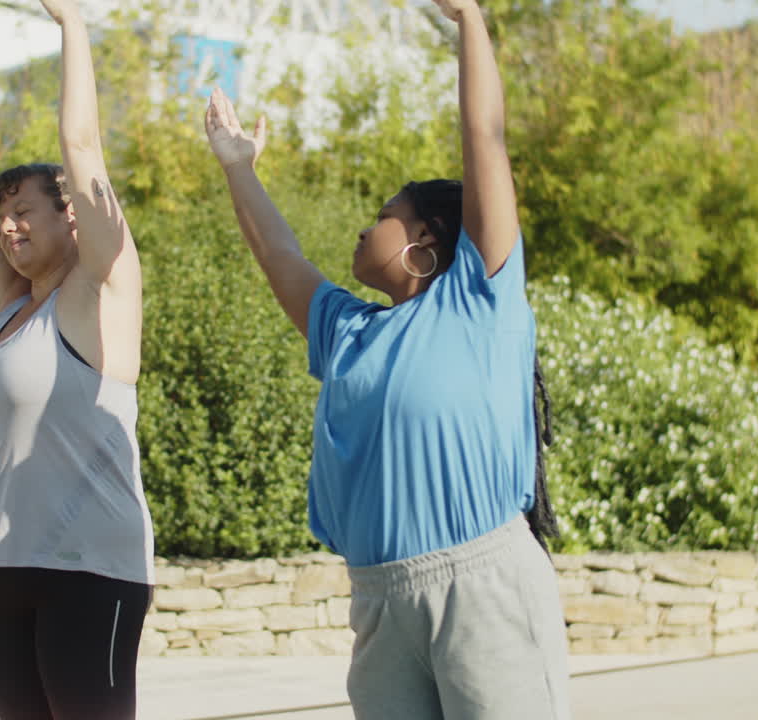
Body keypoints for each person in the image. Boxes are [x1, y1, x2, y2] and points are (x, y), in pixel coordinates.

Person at [202, 0, 570, 717]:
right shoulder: (345, 332)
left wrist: (468, 20)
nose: (364, 226)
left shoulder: (478, 297)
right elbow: (280, 254)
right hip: (377, 596)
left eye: (381, 214)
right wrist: (237, 167)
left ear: (427, 238)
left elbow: (484, 138)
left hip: (482, 585)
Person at [0, 4, 153, 718]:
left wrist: (72, 25)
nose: (7, 224)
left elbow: (80, 145)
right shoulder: (11, 312)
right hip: (4, 570)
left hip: (90, 570)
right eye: (5, 212)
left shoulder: (100, 289)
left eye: (24, 210)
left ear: (72, 217)